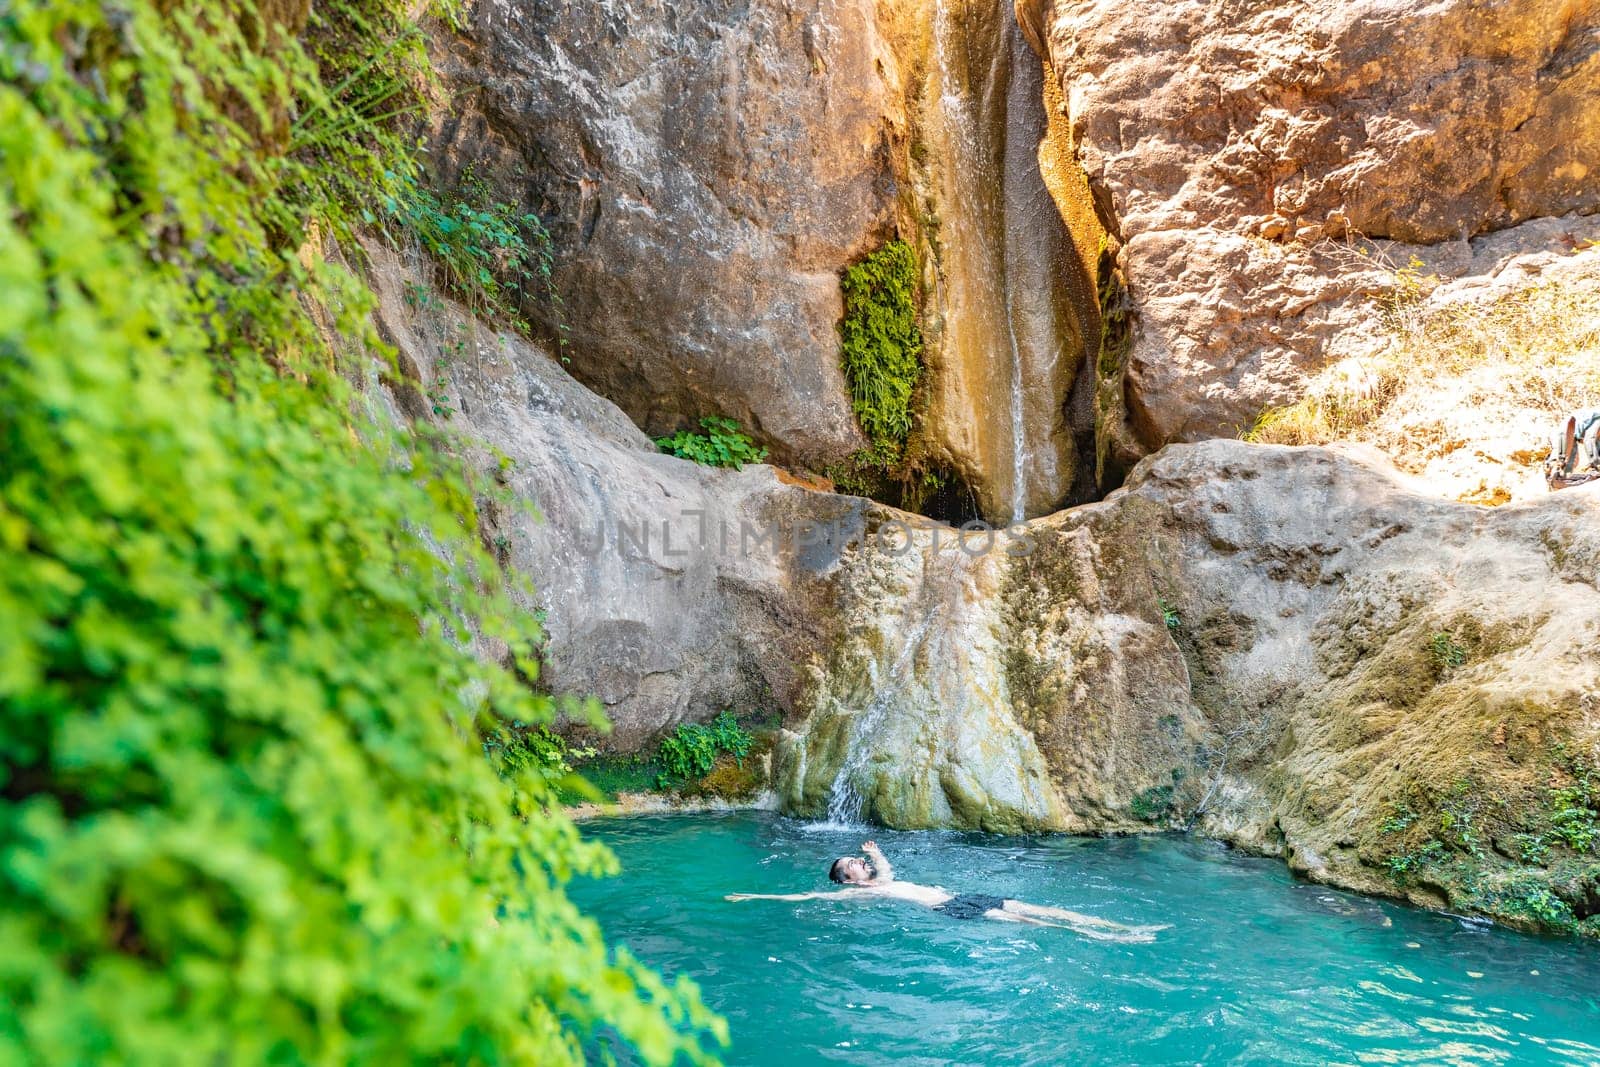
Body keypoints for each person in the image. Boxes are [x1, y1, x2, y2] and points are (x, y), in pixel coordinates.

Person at [725, 841, 1166, 943]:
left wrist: (876, 855)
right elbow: (810, 899)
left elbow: (889, 871)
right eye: (850, 865)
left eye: (854, 859)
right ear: (847, 881)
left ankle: (1124, 926)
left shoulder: (878, 878)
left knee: (1038, 906)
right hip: (948, 909)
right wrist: (756, 898)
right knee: (1030, 922)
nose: (856, 862)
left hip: (964, 894)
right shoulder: (859, 895)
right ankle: (1105, 937)